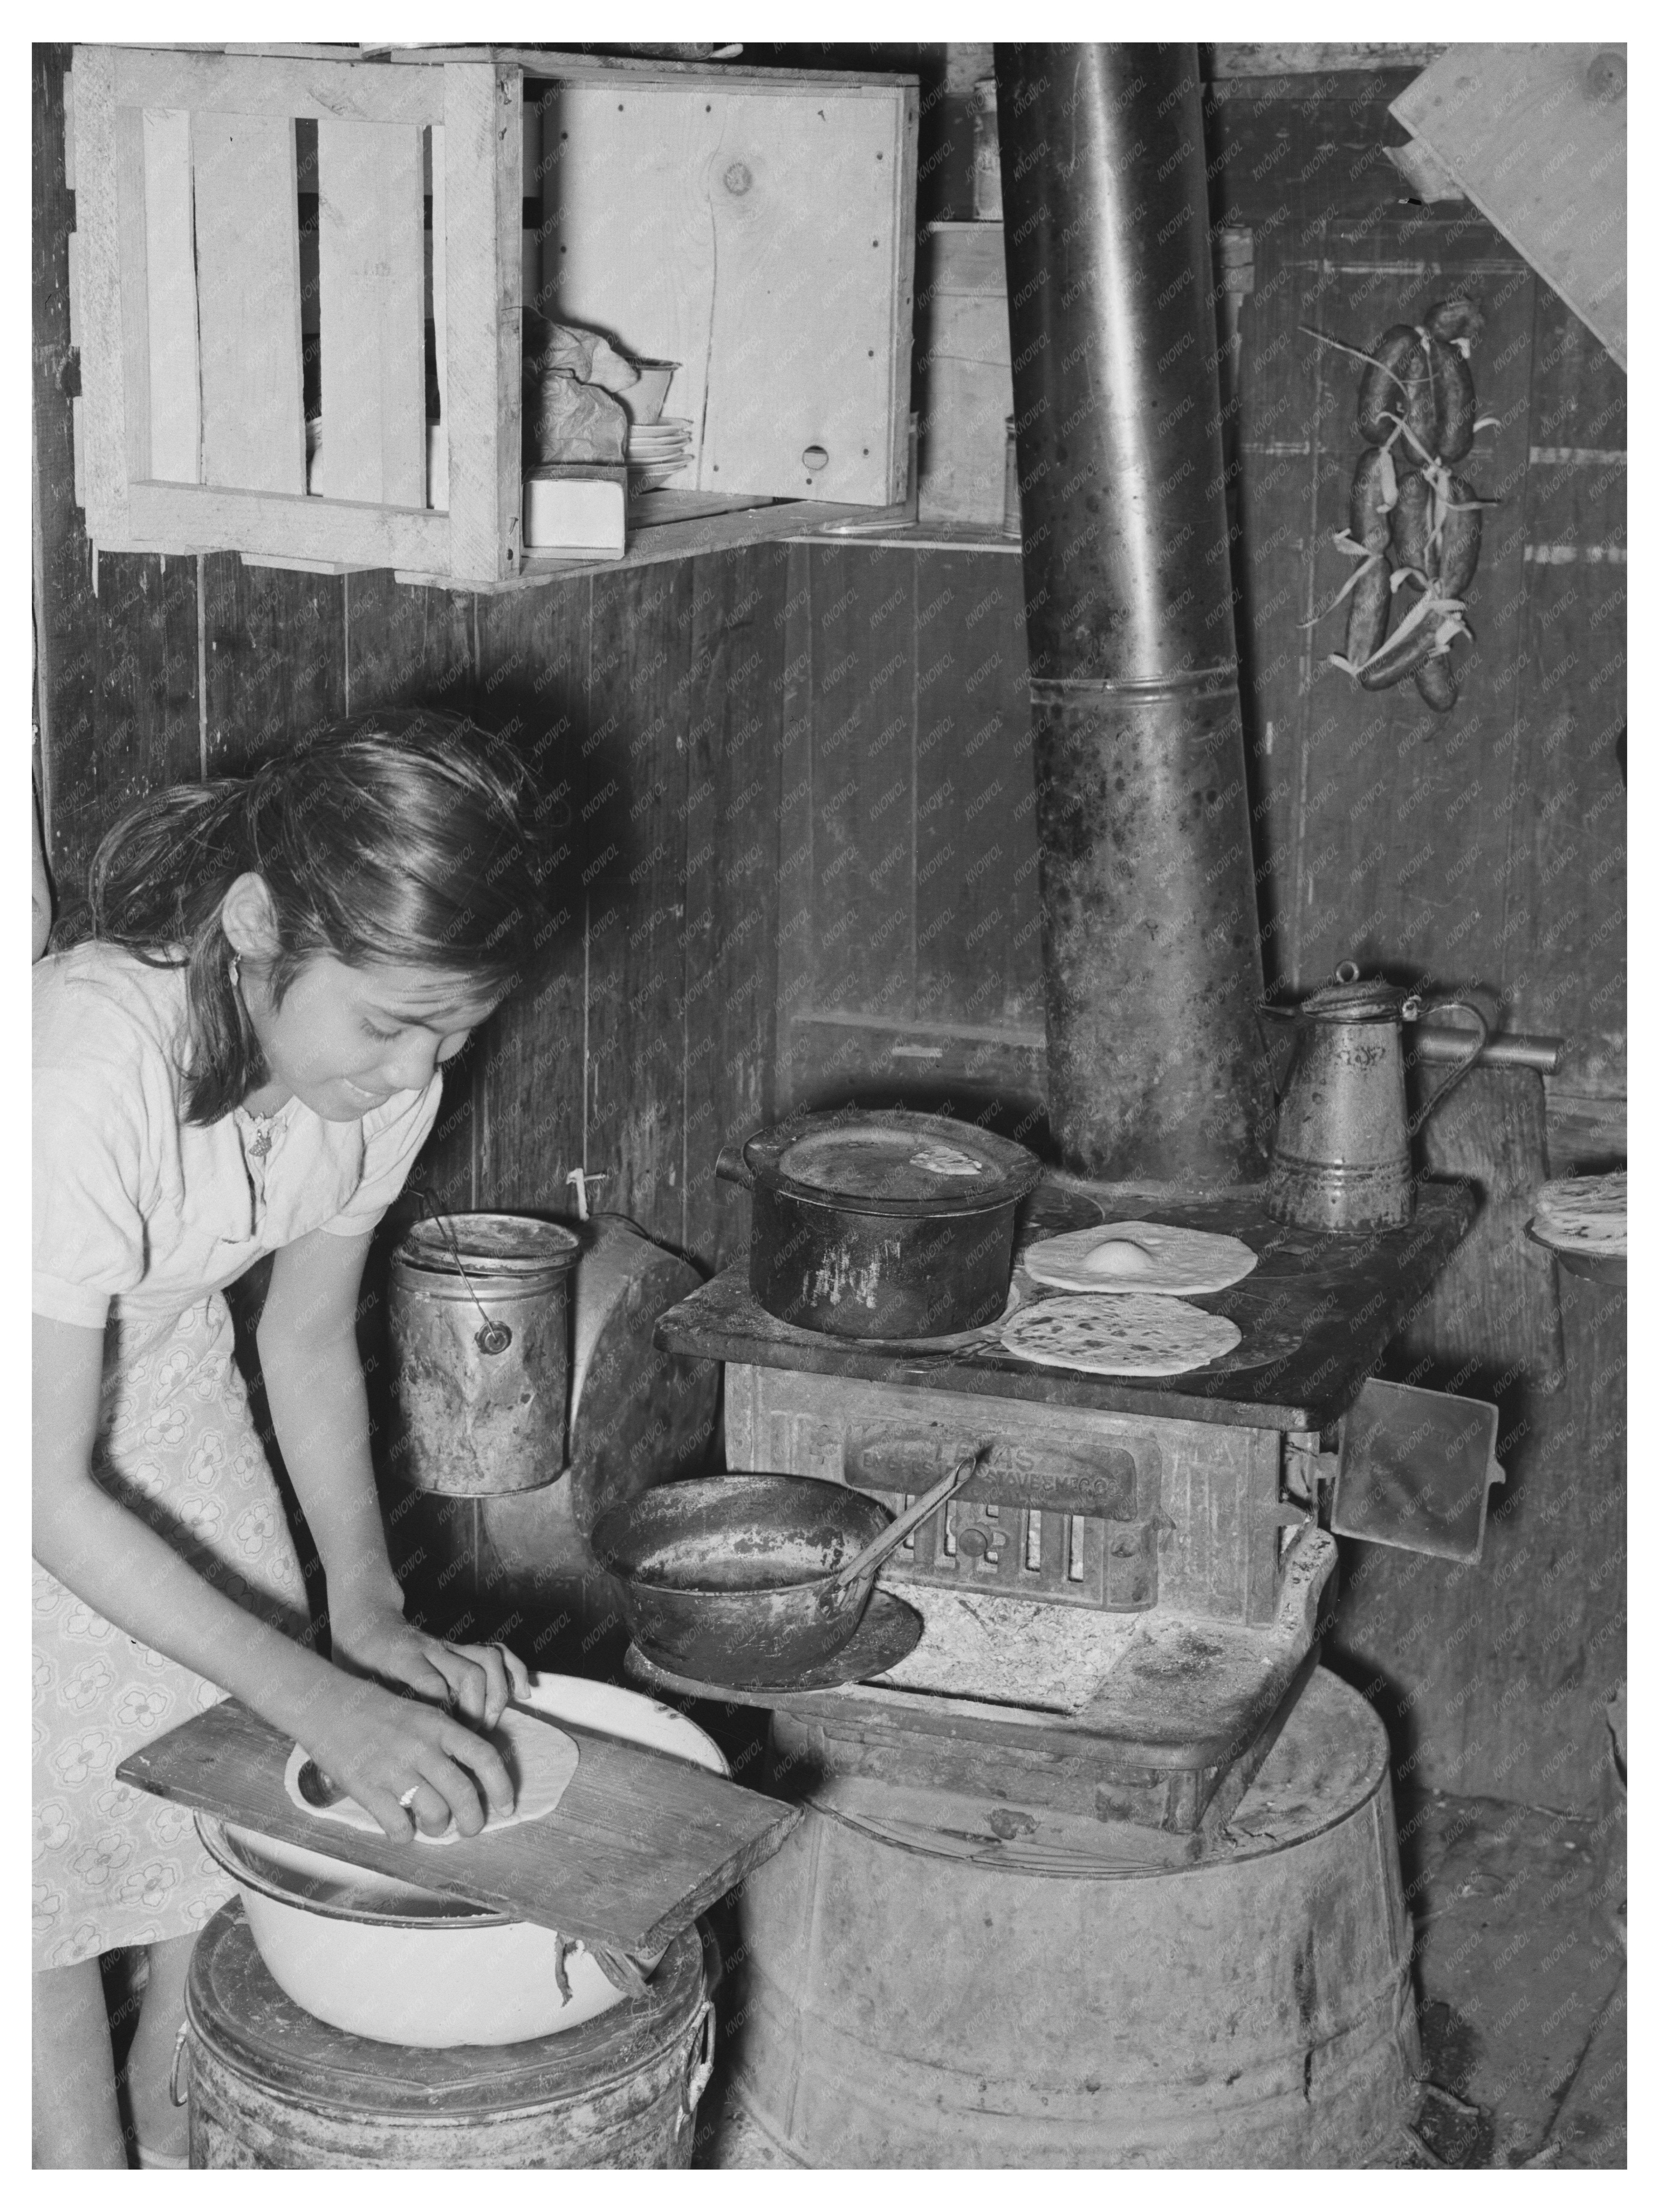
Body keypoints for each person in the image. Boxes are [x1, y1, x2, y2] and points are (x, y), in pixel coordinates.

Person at [32, 710, 552, 2167]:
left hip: (176, 1390)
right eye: (390, 1020)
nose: (414, 1071)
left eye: (453, 1027)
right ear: (256, 924)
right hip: (32, 1452)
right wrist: (320, 1698)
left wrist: (364, 1616)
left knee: (214, 1888)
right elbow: (45, 1491)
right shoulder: (85, 1063)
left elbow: (306, 1335)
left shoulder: (376, 1078)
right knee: (42, 1912)